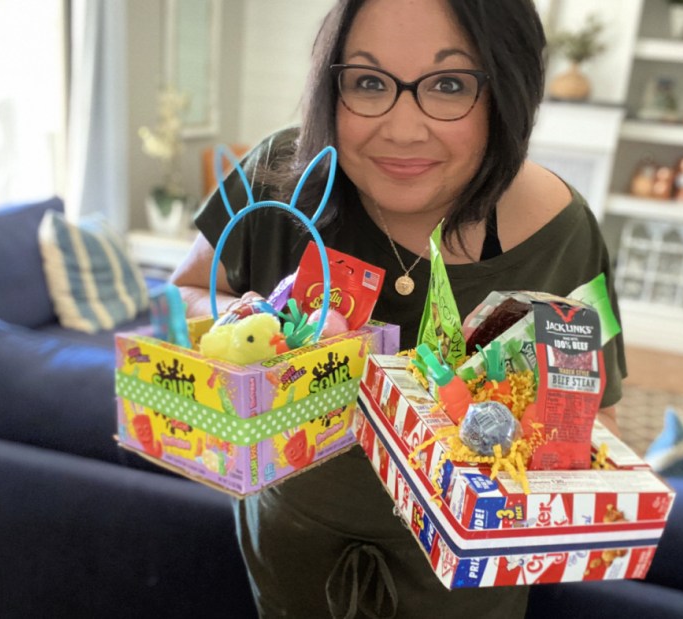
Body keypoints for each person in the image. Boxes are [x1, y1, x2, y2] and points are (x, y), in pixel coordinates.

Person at [171, 0, 627, 616]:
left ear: (506, 92)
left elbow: (596, 424)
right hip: (289, 552)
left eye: (449, 84)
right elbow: (185, 292)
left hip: (464, 586)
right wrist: (254, 326)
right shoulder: (279, 180)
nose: (403, 129)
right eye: (367, 82)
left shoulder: (560, 232)